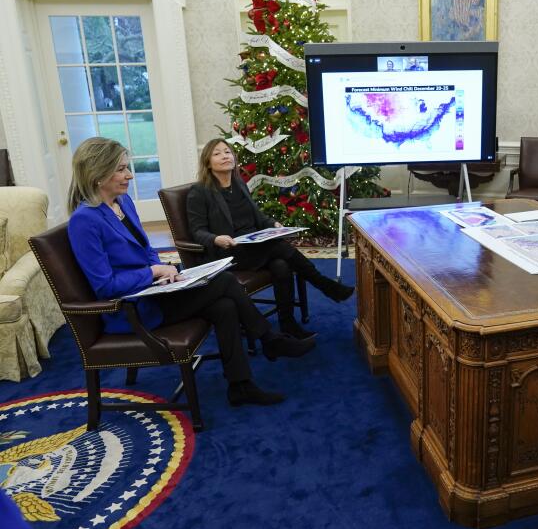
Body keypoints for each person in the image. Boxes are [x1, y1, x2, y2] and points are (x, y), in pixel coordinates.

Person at [67, 137, 312, 408]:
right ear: (98, 175)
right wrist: (152, 272)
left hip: (155, 292)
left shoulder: (123, 204)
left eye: (127, 167)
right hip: (133, 309)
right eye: (121, 169)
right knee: (225, 281)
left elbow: (145, 249)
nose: (130, 175)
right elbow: (105, 286)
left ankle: (241, 385)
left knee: (225, 306)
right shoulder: (84, 221)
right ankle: (270, 339)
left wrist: (166, 270)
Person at [186, 139, 355, 343]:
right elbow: (197, 231)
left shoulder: (239, 185)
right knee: (278, 247)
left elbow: (258, 217)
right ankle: (325, 285)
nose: (225, 156)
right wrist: (216, 239)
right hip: (229, 251)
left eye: (227, 152)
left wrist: (274, 224)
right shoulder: (200, 192)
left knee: (281, 265)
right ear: (207, 162)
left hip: (253, 247)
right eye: (217, 153)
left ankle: (287, 323)